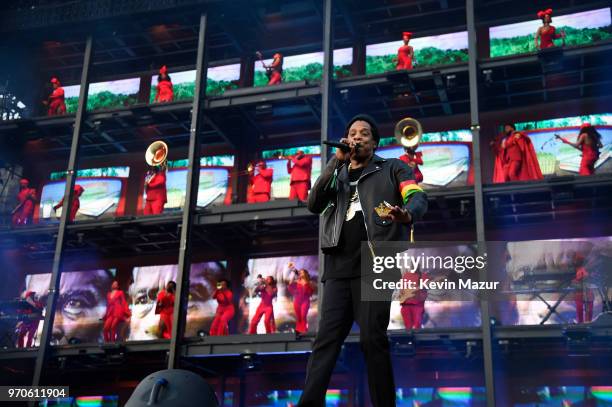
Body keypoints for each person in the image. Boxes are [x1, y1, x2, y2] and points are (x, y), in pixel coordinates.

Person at [298, 114, 428, 407]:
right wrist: (336, 162)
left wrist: (407, 213)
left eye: (364, 134)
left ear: (374, 142)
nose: (357, 137)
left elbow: (416, 195)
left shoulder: (392, 167)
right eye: (352, 133)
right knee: (325, 343)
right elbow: (314, 203)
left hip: (376, 263)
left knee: (372, 339)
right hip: (337, 269)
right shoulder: (337, 174)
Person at [287, 266, 315, 334]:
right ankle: (298, 331)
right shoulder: (297, 282)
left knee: (303, 315)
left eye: (302, 272)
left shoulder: (309, 282)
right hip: (297, 301)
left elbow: (311, 291)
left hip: (305, 301)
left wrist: (306, 285)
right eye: (299, 273)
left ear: (305, 274)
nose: (300, 274)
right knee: (299, 317)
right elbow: (290, 287)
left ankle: (304, 330)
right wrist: (292, 277)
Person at [572, 254, 594, 324]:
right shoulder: (574, 269)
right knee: (580, 310)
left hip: (587, 291)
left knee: (588, 310)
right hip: (580, 292)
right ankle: (581, 323)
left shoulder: (586, 269)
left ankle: (586, 322)